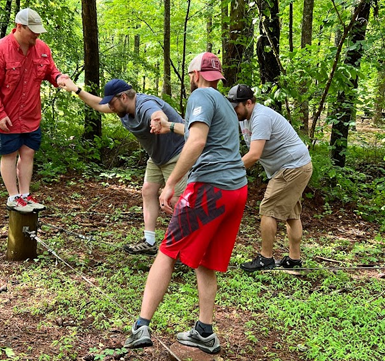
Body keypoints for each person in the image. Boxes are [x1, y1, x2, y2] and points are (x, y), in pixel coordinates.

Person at [123, 52, 247, 354]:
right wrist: (170, 125)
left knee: (167, 251)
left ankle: (142, 325)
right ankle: (204, 332)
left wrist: (169, 184)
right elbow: (195, 130)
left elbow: (197, 141)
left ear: (194, 75)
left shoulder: (201, 94)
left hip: (210, 189)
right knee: (205, 261)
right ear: (217, 76)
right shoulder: (226, 106)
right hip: (236, 191)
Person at [60, 78, 187, 255]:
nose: (110, 107)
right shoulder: (123, 109)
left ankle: (186, 246)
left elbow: (157, 113)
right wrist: (76, 89)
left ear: (124, 97)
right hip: (157, 157)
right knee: (148, 191)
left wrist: (159, 121)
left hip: (177, 154)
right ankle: (149, 242)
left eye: (112, 102)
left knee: (176, 201)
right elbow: (98, 104)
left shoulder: (144, 105)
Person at [0, 8, 68, 213]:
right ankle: (13, 197)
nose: (36, 35)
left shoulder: (42, 48)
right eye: (33, 31)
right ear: (19, 27)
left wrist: (60, 79)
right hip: (6, 116)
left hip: (31, 115)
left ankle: (25, 195)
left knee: (28, 152)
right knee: (9, 154)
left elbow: (50, 72)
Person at [227, 84, 313, 272]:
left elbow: (254, 155)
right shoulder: (243, 118)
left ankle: (266, 259)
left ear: (249, 103)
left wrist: (227, 171)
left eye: (236, 106)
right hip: (292, 167)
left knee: (268, 210)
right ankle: (294, 259)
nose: (233, 110)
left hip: (292, 167)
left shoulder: (261, 117)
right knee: (291, 214)